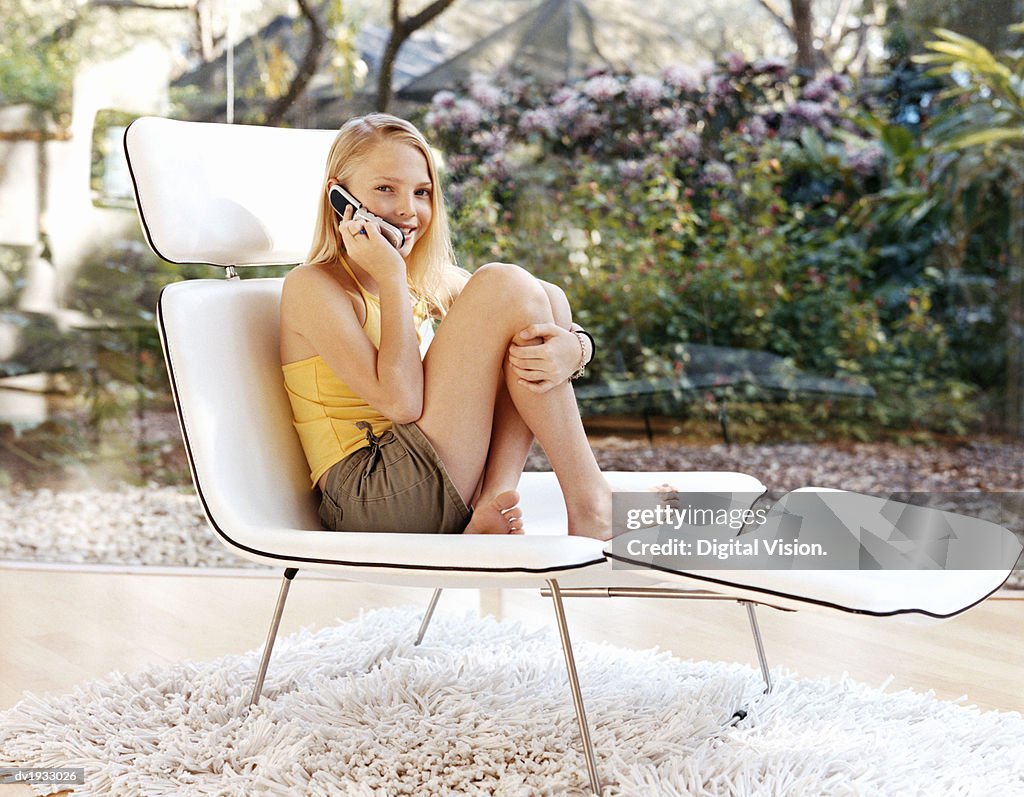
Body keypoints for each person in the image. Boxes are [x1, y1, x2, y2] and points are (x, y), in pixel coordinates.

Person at [280, 113, 611, 538]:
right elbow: (401, 405)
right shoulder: (312, 286)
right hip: (372, 495)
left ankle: (496, 495)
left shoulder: (424, 279)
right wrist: (391, 277)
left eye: (422, 192)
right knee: (504, 284)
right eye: (385, 189)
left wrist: (577, 350)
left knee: (542, 296)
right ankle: (592, 503)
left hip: (421, 474)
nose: (408, 209)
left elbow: (543, 302)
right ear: (339, 198)